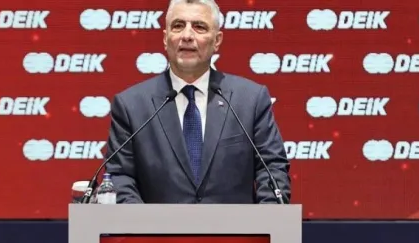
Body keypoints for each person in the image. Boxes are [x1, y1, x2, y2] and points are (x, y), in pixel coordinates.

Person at [104, 0, 291, 204]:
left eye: (199, 27)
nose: (187, 36)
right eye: (178, 26)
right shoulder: (131, 105)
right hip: (155, 225)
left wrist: (267, 216)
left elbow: (272, 168)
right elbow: (120, 176)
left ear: (217, 40)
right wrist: (143, 222)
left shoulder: (250, 100)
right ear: (165, 39)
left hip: (236, 225)